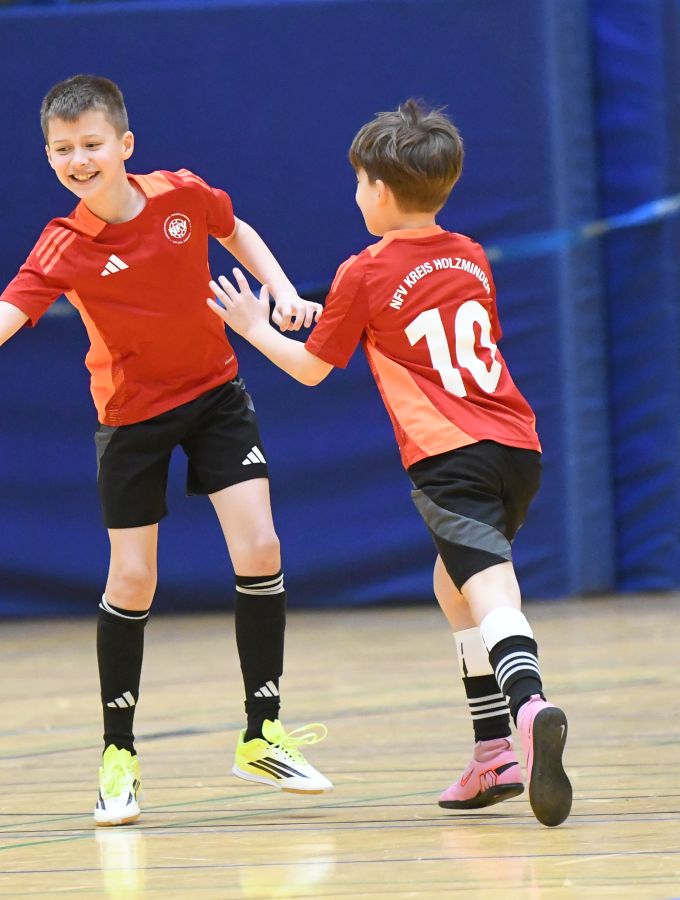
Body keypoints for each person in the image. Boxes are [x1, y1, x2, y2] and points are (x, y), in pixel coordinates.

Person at [0, 74, 334, 827]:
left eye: (91, 145)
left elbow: (236, 229)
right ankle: (118, 757)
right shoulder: (62, 246)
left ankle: (262, 733)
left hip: (217, 396)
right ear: (49, 156)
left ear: (125, 146)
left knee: (260, 545)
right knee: (133, 578)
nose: (78, 159)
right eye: (63, 150)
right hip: (131, 418)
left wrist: (283, 287)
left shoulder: (180, 195)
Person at [205, 99, 573, 827]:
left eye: (357, 183)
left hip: (449, 455)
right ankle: (492, 752)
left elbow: (312, 370)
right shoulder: (470, 254)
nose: (355, 195)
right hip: (517, 446)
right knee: (454, 586)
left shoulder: (365, 271)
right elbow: (412, 331)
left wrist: (251, 326)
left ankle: (529, 705)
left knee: (492, 593)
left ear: (376, 188)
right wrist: (324, 314)